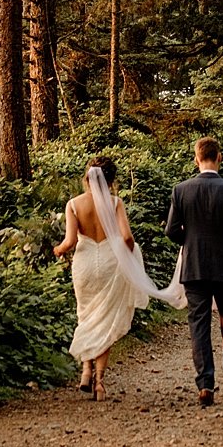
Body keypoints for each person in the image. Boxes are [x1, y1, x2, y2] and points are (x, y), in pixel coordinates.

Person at [54, 156, 185, 399]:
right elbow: (127, 238)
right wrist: (127, 256)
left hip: (84, 265)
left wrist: (58, 250)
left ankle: (85, 371)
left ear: (87, 177)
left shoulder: (73, 204)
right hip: (110, 264)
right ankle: (100, 381)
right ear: (112, 181)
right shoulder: (115, 203)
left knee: (86, 315)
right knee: (106, 319)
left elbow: (70, 242)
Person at [164, 136, 223, 407]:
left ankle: (205, 384)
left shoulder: (181, 190)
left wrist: (191, 243)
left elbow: (171, 230)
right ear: (219, 157)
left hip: (194, 267)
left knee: (199, 325)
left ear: (196, 159)